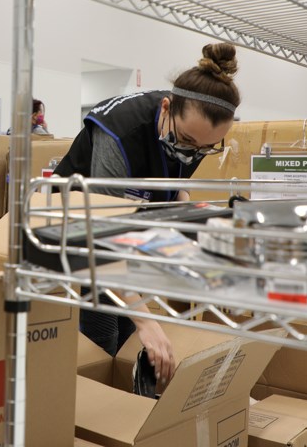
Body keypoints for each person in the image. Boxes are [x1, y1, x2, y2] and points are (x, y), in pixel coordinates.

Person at [53, 42, 241, 391]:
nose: (192, 153)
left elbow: (177, 188)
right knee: (103, 337)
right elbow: (101, 239)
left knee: (129, 335)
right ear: (166, 108)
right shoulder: (120, 133)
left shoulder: (193, 134)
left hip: (133, 226)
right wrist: (147, 321)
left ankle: (123, 409)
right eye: (186, 141)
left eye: (205, 149)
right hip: (79, 232)